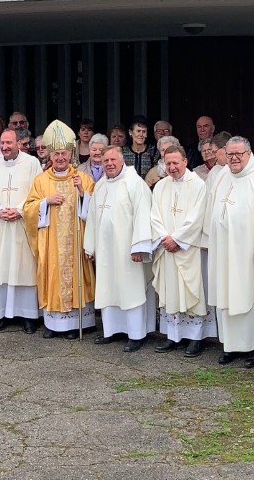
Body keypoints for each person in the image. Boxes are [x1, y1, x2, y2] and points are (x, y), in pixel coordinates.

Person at [205, 137, 254, 367]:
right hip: (225, 250)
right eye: (230, 154)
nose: (234, 158)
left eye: (238, 154)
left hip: (251, 253)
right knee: (228, 293)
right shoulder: (222, 175)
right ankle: (232, 345)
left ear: (249, 153)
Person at [23, 121, 97, 339]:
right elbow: (28, 209)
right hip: (52, 242)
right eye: (56, 154)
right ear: (50, 156)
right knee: (53, 275)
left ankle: (76, 325)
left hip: (76, 242)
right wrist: (45, 202)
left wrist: (83, 194)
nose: (60, 158)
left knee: (76, 278)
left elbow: (94, 213)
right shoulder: (41, 180)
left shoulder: (83, 179)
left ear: (70, 153)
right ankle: (54, 325)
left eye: (64, 154)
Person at [85, 146, 155, 352]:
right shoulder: (100, 186)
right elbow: (91, 217)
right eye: (105, 161)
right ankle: (112, 330)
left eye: (113, 160)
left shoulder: (135, 183)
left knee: (130, 289)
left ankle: (136, 334)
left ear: (122, 160)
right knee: (109, 288)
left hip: (128, 251)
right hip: (106, 250)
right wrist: (90, 245)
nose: (109, 164)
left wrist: (139, 246)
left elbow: (143, 214)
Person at [150, 145, 215, 356]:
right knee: (171, 292)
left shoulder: (198, 185)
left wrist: (178, 239)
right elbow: (154, 216)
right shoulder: (160, 186)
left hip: (189, 250)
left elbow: (198, 216)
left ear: (185, 162)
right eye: (168, 163)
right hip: (167, 249)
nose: (172, 167)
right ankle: (173, 335)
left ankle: (196, 338)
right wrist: (165, 238)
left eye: (175, 163)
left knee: (191, 291)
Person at [0, 128, 43, 333]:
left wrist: (20, 210)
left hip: (23, 225)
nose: (4, 147)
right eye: (2, 143)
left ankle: (28, 316)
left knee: (25, 270)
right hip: (1, 225)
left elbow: (37, 192)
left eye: (8, 143)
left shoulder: (32, 163)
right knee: (1, 269)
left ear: (18, 143)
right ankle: (1, 315)